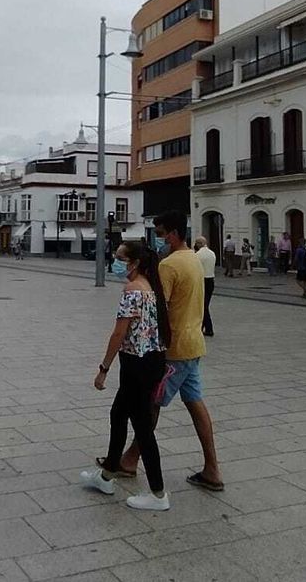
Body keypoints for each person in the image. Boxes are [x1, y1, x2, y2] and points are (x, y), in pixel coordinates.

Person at [118, 210, 224, 492]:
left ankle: (129, 460)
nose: (160, 240)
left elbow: (157, 308)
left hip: (175, 348)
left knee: (152, 402)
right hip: (194, 343)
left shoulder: (169, 265)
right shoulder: (194, 259)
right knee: (194, 402)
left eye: (162, 233)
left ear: (175, 233)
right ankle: (212, 469)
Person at [82, 241, 171, 511]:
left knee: (142, 426)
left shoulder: (133, 290)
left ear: (134, 262)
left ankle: (158, 494)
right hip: (152, 360)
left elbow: (119, 334)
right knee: (118, 415)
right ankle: (107, 475)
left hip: (137, 364)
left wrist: (103, 369)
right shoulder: (152, 288)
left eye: (120, 258)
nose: (116, 261)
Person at [194, 236, 217, 337]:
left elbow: (195, 269)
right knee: (205, 305)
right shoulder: (212, 253)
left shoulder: (198, 255)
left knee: (203, 306)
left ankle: (208, 328)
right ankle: (204, 327)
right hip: (211, 280)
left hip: (202, 280)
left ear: (199, 244)